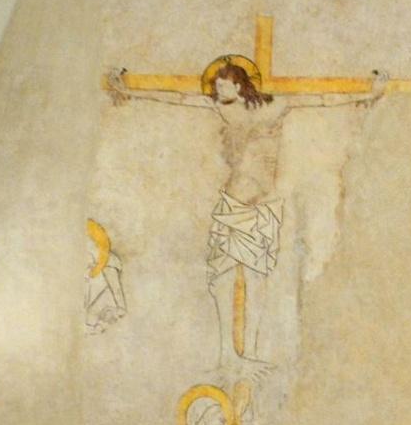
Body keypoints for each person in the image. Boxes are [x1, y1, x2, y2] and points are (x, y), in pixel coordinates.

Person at [104, 56, 387, 393]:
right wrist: (129, 90)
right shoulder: (223, 110)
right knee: (223, 278)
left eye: (222, 84)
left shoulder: (276, 107)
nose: (216, 90)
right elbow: (177, 97)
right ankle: (227, 354)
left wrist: (368, 94)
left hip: (262, 210)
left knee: (255, 279)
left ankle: (249, 354)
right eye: (215, 86)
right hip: (233, 205)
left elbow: (321, 98)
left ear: (239, 85)